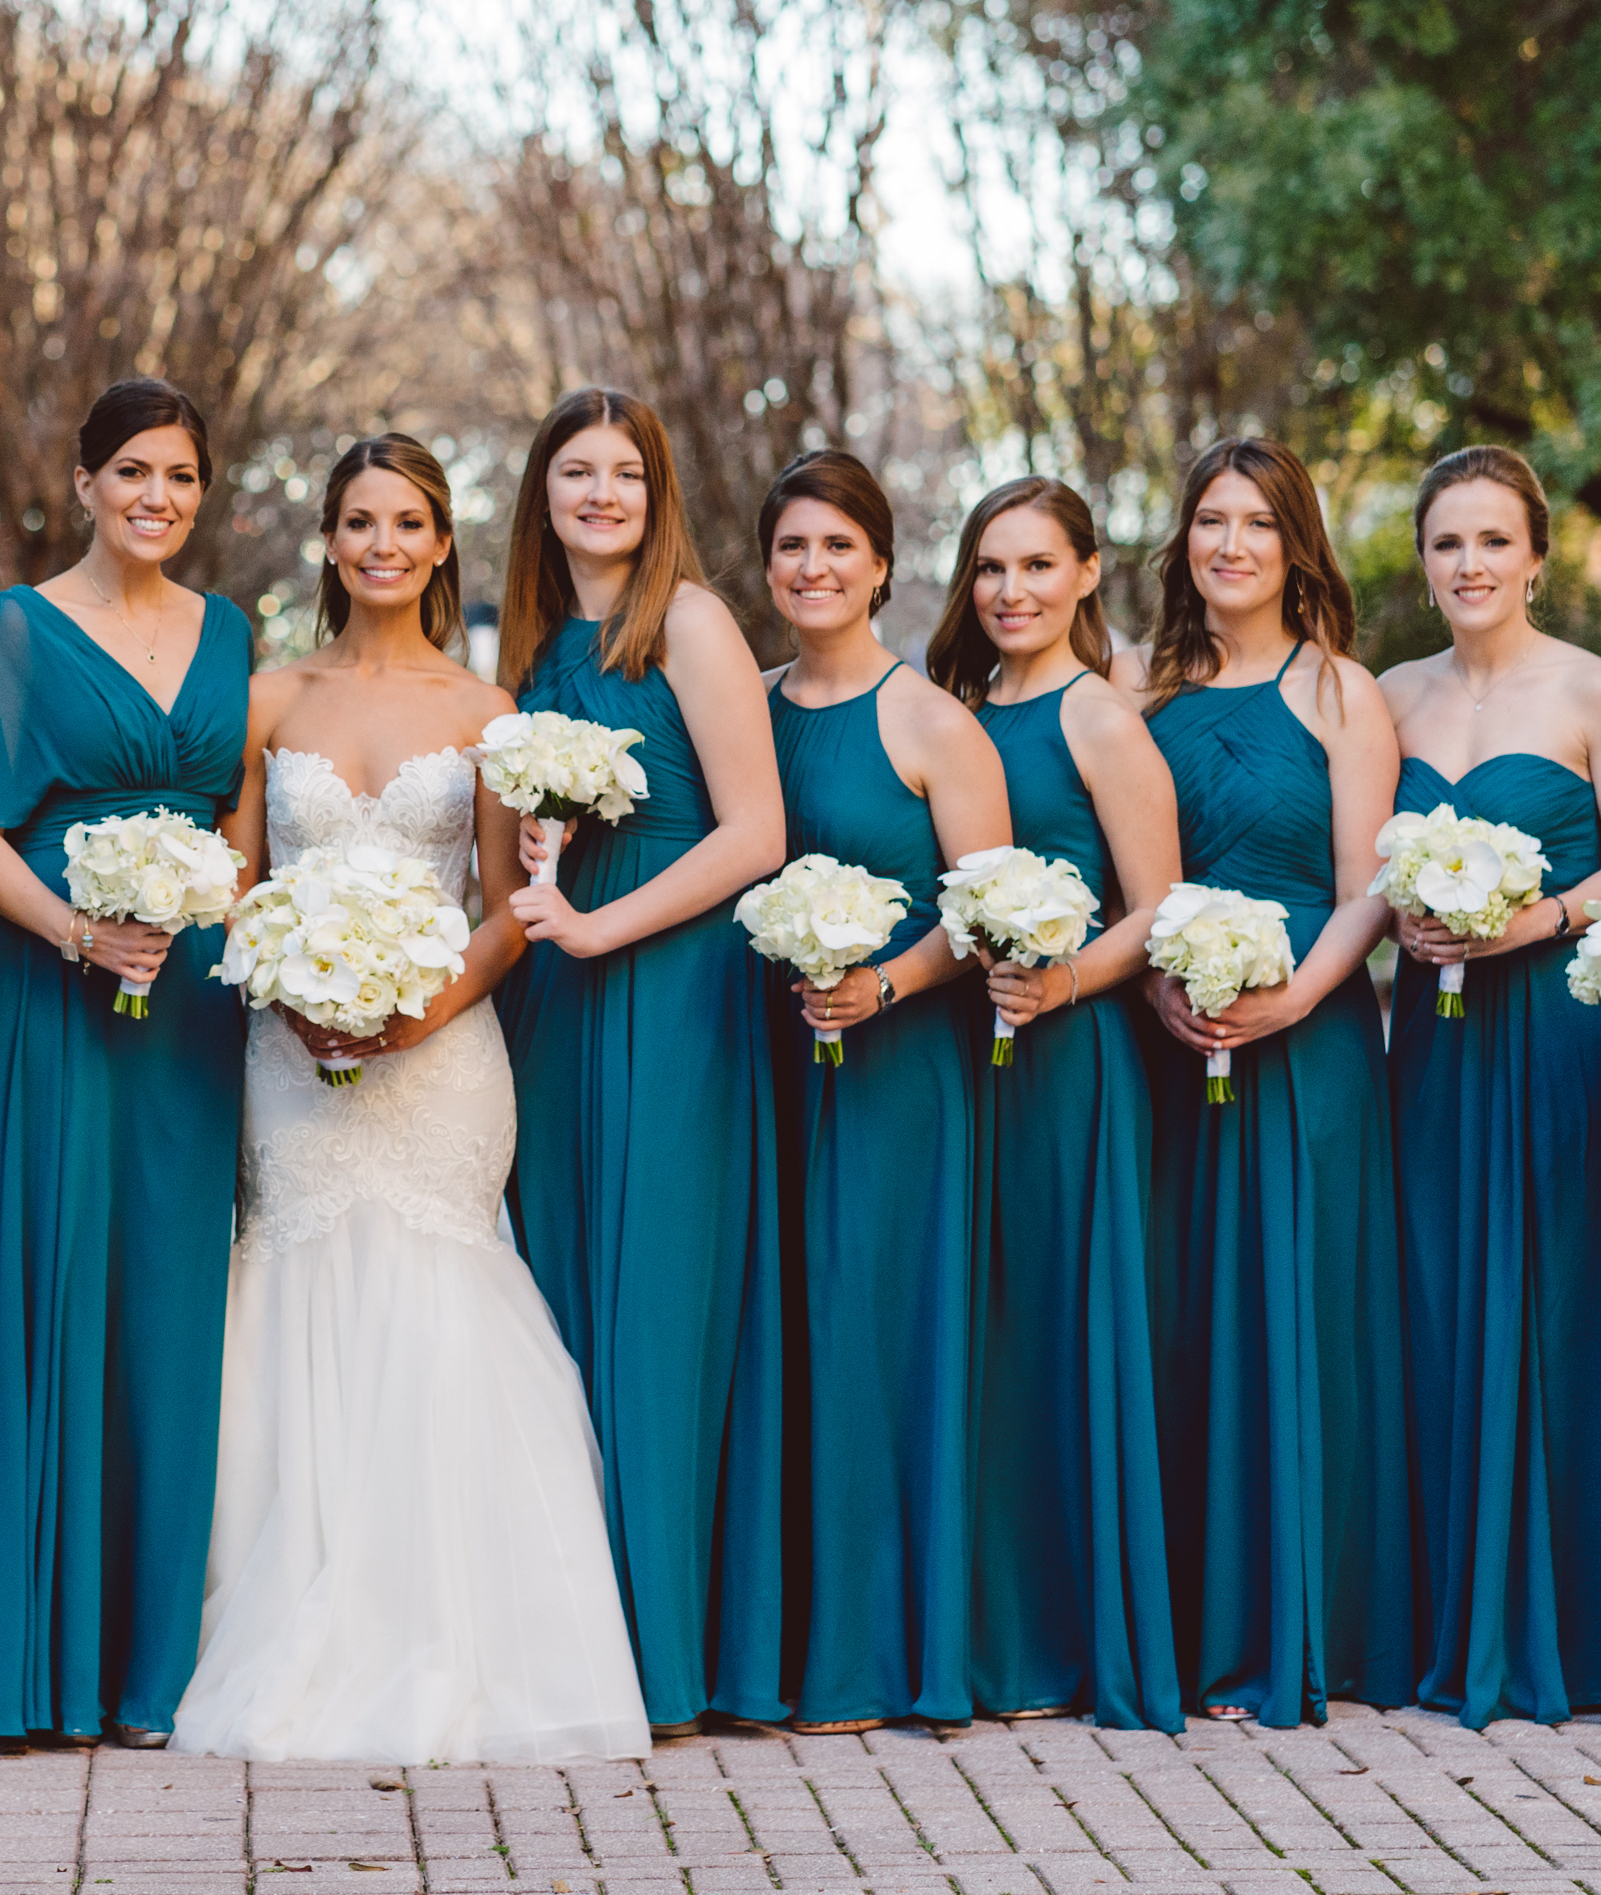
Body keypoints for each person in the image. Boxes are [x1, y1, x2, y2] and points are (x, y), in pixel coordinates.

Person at [173, 435, 648, 1764]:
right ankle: (291, 1612)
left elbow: (503, 910)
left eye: (409, 522)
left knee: (438, 1294)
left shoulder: (488, 707)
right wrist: (292, 992)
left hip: (441, 1057)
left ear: (443, 543)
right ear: (328, 541)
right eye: (359, 521)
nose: (382, 542)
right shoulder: (270, 698)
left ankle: (457, 1627)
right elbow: (236, 879)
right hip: (291, 1049)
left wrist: (415, 1008)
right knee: (295, 1289)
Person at [0, 379, 250, 1748]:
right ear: (83, 483)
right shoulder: (17, 628)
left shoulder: (230, 630)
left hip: (190, 1013)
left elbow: (236, 803)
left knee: (172, 1311)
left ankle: (152, 1668)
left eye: (176, 474)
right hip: (55, 1000)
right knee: (54, 1291)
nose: (154, 497)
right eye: (130, 472)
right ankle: (35, 1662)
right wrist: (70, 931)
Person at [497, 388, 787, 1736]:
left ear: (656, 489)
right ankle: (571, 1643)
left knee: (656, 1307)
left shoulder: (689, 619)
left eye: (625, 471)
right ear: (541, 492)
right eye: (576, 471)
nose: (601, 493)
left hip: (671, 986)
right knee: (558, 1299)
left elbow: (753, 830)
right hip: (552, 995)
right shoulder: (520, 640)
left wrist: (599, 923)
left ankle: (667, 1657)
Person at [1114, 437, 1413, 1726]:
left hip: (1311, 1043)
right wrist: (1157, 988)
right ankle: (1185, 1626)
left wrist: (1292, 995)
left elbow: (1368, 885)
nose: (1228, 544)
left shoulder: (1342, 691)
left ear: (1297, 543)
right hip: (1169, 1043)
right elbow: (1125, 877)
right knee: (1183, 1319)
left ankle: (1304, 1624)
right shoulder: (1139, 687)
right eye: (1208, 522)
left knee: (1302, 1316)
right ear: (1182, 541)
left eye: (1256, 523)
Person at [1374, 446, 1601, 1729]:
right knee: (1436, 1297)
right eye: (1447, 543)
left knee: (1562, 1299)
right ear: (1424, 559)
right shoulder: (1384, 696)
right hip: (1430, 1045)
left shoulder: (1598, 691)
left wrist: (1531, 918)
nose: (1470, 565)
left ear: (1537, 555)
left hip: (1556, 1032)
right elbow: (1354, 862)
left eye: (1494, 540)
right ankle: (1448, 1615)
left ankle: (1585, 1621)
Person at [924, 476, 1184, 1732]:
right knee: (988, 1335)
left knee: (1064, 1330)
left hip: (1073, 1058)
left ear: (1087, 573)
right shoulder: (957, 710)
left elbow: (1158, 904)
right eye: (989, 568)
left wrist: (1063, 978)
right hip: (967, 1055)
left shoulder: (1100, 717)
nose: (1011, 591)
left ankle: (1073, 1637)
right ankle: (989, 1629)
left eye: (1036, 566)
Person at [758, 451, 1011, 1733]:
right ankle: (781, 1640)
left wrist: (886, 986)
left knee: (874, 1335)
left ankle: (877, 1652)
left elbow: (987, 912)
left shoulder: (931, 721)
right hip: (764, 1066)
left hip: (896, 1069)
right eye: (791, 547)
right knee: (784, 1340)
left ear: (881, 567)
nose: (813, 569)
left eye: (837, 548)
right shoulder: (743, 707)